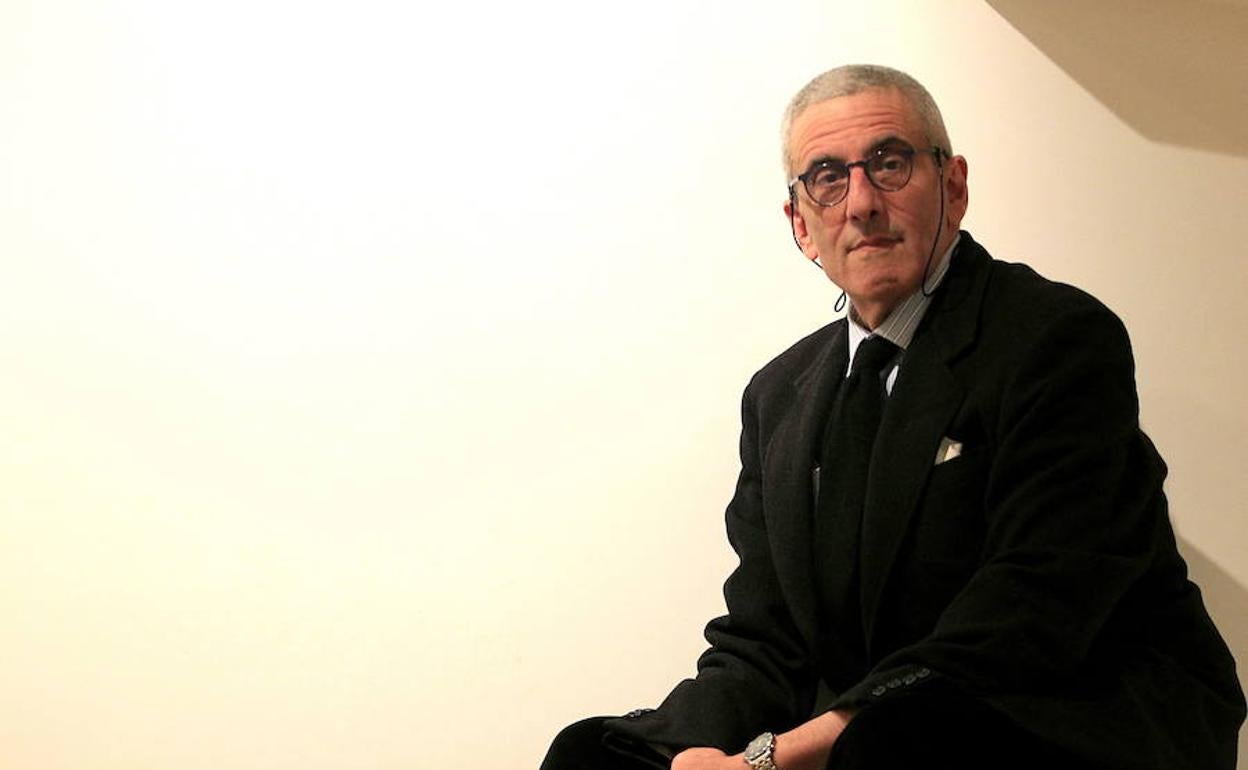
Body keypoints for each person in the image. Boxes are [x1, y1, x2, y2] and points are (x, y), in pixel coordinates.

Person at [540, 65, 1245, 770]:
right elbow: (765, 640)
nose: (862, 203)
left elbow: (1030, 612)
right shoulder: (777, 396)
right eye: (827, 177)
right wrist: (680, 751)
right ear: (801, 224)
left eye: (889, 163)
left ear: (954, 187)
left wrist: (771, 759)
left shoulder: (1056, 340)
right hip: (879, 729)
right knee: (592, 756)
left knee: (890, 742)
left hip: (1070, 713)